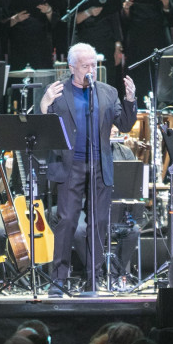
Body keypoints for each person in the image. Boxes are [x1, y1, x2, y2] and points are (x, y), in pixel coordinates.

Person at [41, 42, 137, 293]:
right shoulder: (58, 91)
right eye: (85, 65)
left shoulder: (106, 92)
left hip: (99, 166)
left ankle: (93, 278)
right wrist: (45, 103)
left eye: (94, 64)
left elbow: (125, 124)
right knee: (67, 221)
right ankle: (59, 278)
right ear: (72, 67)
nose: (91, 69)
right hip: (69, 166)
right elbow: (42, 125)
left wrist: (130, 99)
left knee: (98, 222)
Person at [121, 0, 171, 98]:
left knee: (159, 80)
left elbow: (171, 18)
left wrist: (166, 5)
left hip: (159, 37)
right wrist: (127, 8)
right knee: (139, 79)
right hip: (137, 40)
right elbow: (124, 19)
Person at [73, 0, 123, 89]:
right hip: (84, 46)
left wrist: (118, 46)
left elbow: (116, 23)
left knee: (106, 84)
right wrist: (89, 12)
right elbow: (71, 21)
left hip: (106, 45)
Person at [3, 0, 55, 70]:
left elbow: (56, 22)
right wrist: (15, 19)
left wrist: (48, 11)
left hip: (41, 47)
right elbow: (1, 24)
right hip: (19, 47)